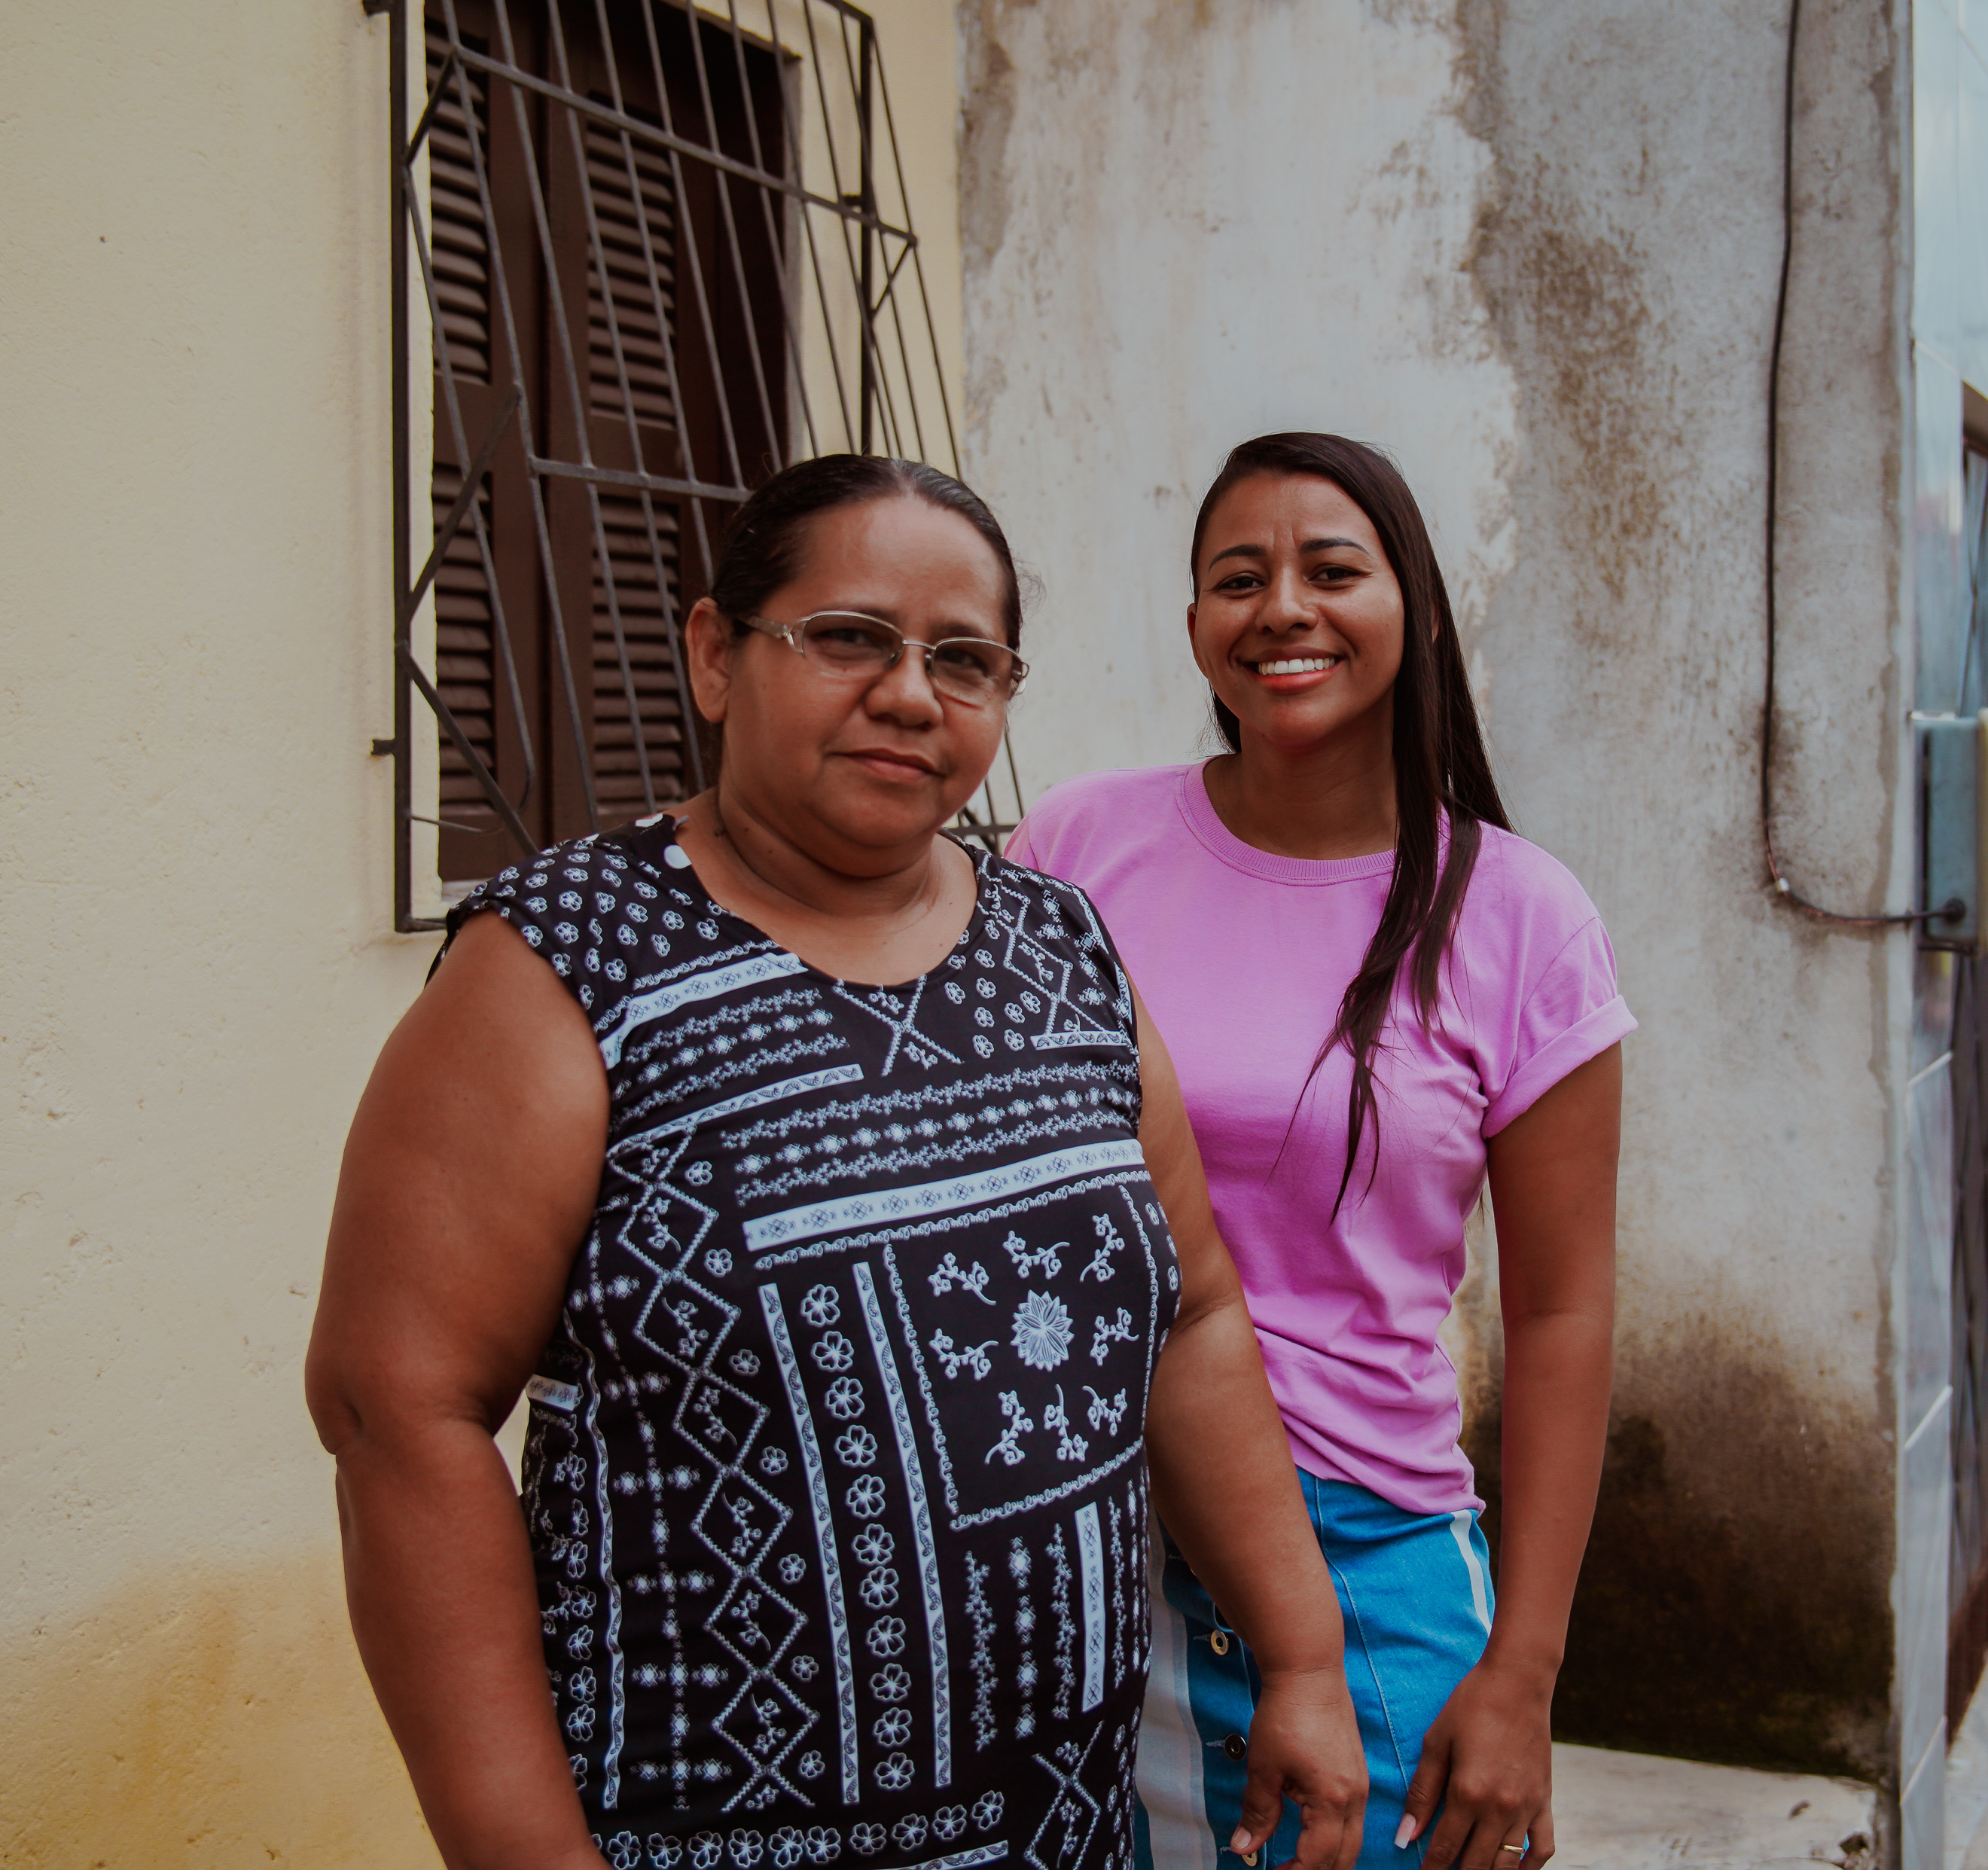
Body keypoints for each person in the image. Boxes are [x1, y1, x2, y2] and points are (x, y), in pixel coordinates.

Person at [306, 457, 1368, 1870]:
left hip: (1061, 1827)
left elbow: (1192, 1311)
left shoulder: (1059, 947)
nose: (913, 694)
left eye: (965, 660)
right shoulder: (568, 963)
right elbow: (401, 1413)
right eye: (850, 636)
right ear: (713, 656)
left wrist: (1299, 1649)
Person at [1004, 434, 1627, 1870]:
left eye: (1332, 569)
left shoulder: (1521, 915)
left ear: (1409, 602)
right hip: (1065, 1537)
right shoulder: (1077, 845)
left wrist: (1523, 1676)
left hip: (1360, 1552)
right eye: (1240, 577)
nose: (1283, 606)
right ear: (1196, 629)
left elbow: (1561, 1314)